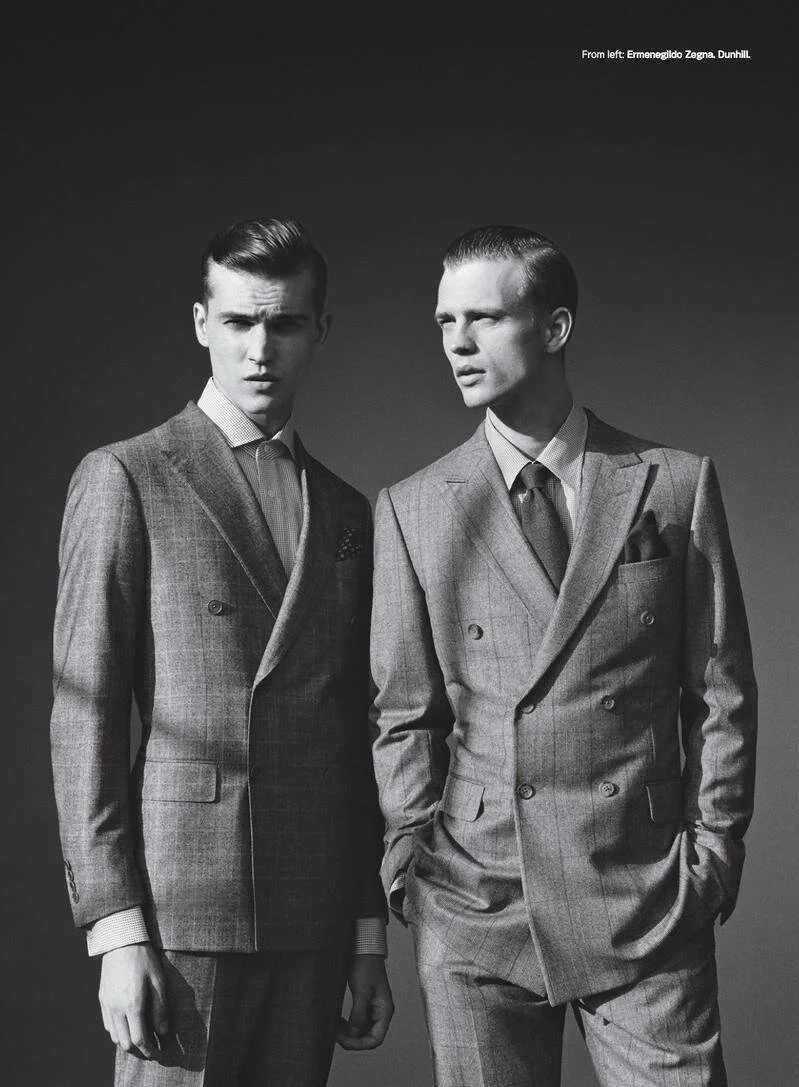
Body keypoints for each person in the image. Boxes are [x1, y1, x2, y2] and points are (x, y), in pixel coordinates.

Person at [370, 225, 756, 1086]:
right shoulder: (412, 508)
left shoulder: (672, 482)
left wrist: (714, 855)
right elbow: (403, 712)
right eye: (444, 321)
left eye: (482, 318)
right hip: (475, 902)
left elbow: (720, 690)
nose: (457, 343)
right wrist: (410, 863)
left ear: (555, 327)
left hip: (644, 892)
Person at [51, 217, 393, 1086]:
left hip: (314, 910)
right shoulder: (128, 476)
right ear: (202, 322)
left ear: (320, 330)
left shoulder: (347, 512)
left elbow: (355, 735)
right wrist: (116, 930)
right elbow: (85, 719)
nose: (260, 349)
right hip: (181, 910)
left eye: (284, 324)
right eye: (239, 321)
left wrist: (366, 933)